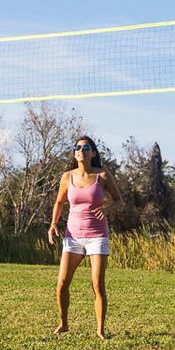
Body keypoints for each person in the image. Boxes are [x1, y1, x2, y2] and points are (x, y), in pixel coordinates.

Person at [47, 136, 122, 339]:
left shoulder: (103, 175)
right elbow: (59, 202)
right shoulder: (67, 177)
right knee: (62, 282)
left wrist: (106, 209)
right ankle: (63, 324)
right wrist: (53, 224)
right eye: (78, 147)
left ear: (93, 153)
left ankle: (100, 330)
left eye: (86, 147)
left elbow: (119, 201)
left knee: (97, 283)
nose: (81, 150)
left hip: (97, 235)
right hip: (73, 237)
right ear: (74, 153)